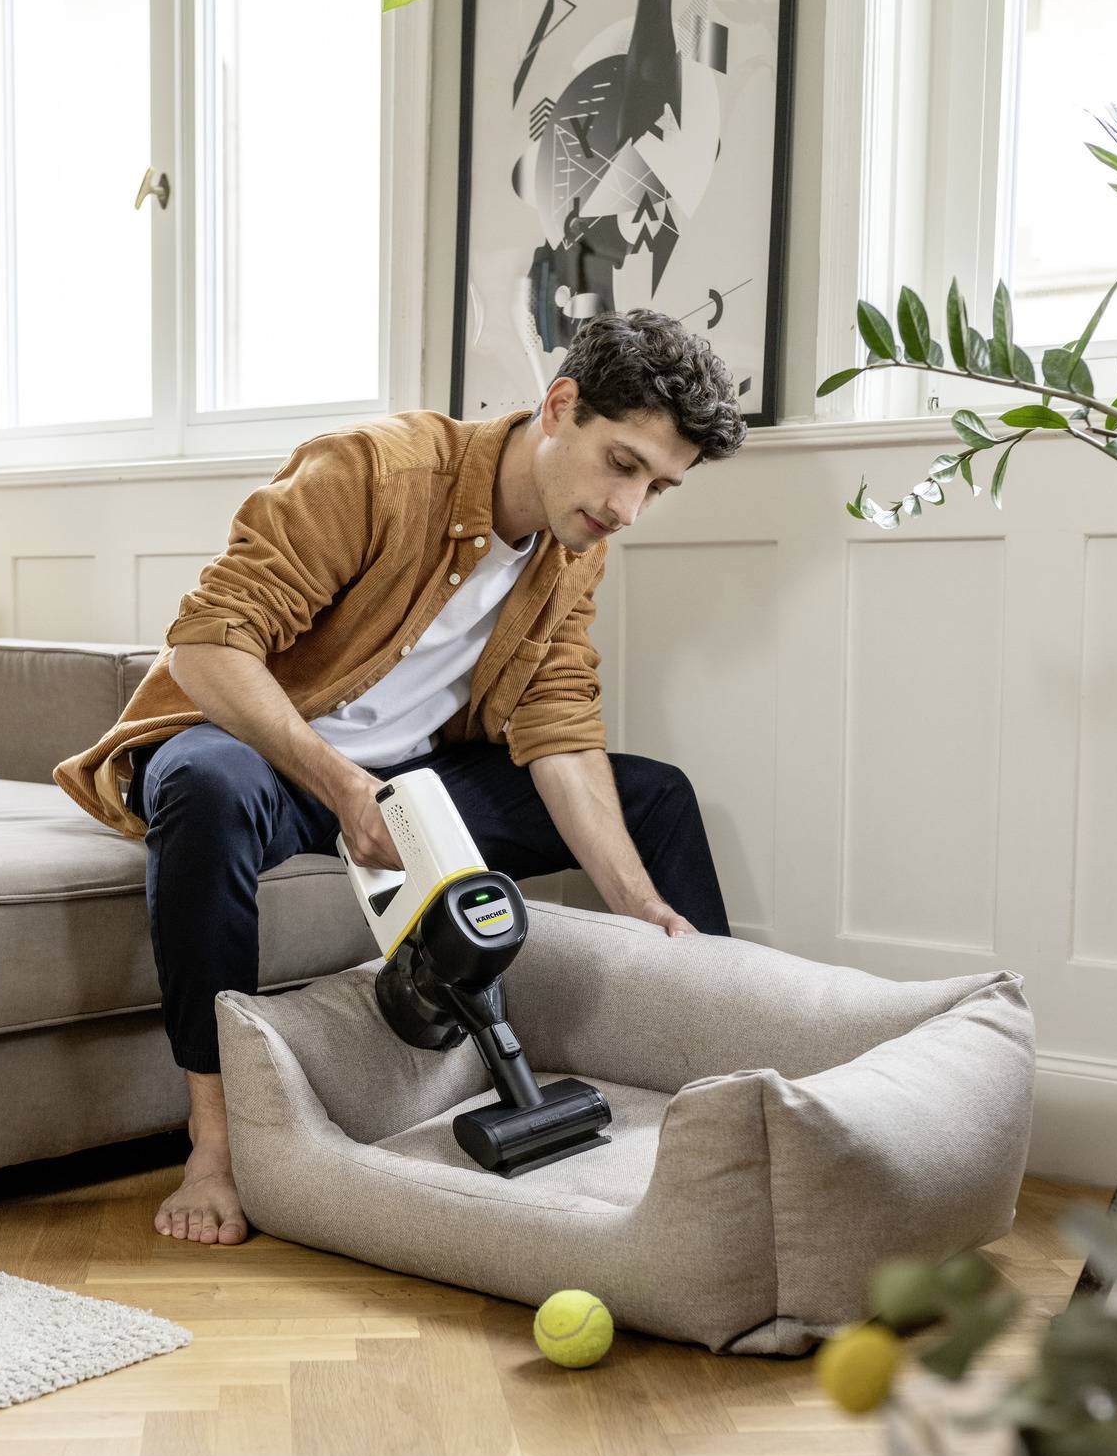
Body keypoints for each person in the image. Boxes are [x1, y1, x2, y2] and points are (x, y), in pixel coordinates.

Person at [55, 308, 747, 1245]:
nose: (626, 508)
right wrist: (341, 786)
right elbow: (207, 648)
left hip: (413, 773)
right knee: (204, 788)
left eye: (656, 488)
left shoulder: (573, 541)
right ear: (558, 404)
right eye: (622, 464)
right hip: (270, 752)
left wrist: (637, 901)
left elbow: (556, 720)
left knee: (653, 796)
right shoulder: (374, 471)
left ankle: (734, 1111)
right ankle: (214, 1146)